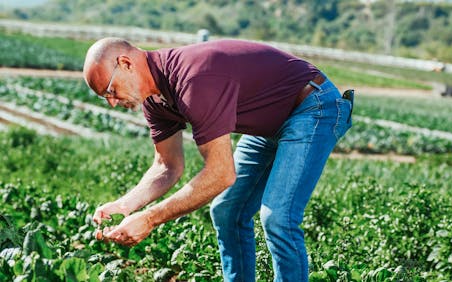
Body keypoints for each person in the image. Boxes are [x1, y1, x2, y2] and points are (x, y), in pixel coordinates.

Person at [83, 37, 353, 281]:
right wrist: (125, 205)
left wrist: (150, 219)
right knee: (226, 210)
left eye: (109, 90)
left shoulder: (192, 79)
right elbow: (167, 166)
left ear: (126, 63)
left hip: (312, 106)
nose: (112, 102)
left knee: (278, 217)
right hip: (268, 124)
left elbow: (221, 174)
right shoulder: (154, 101)